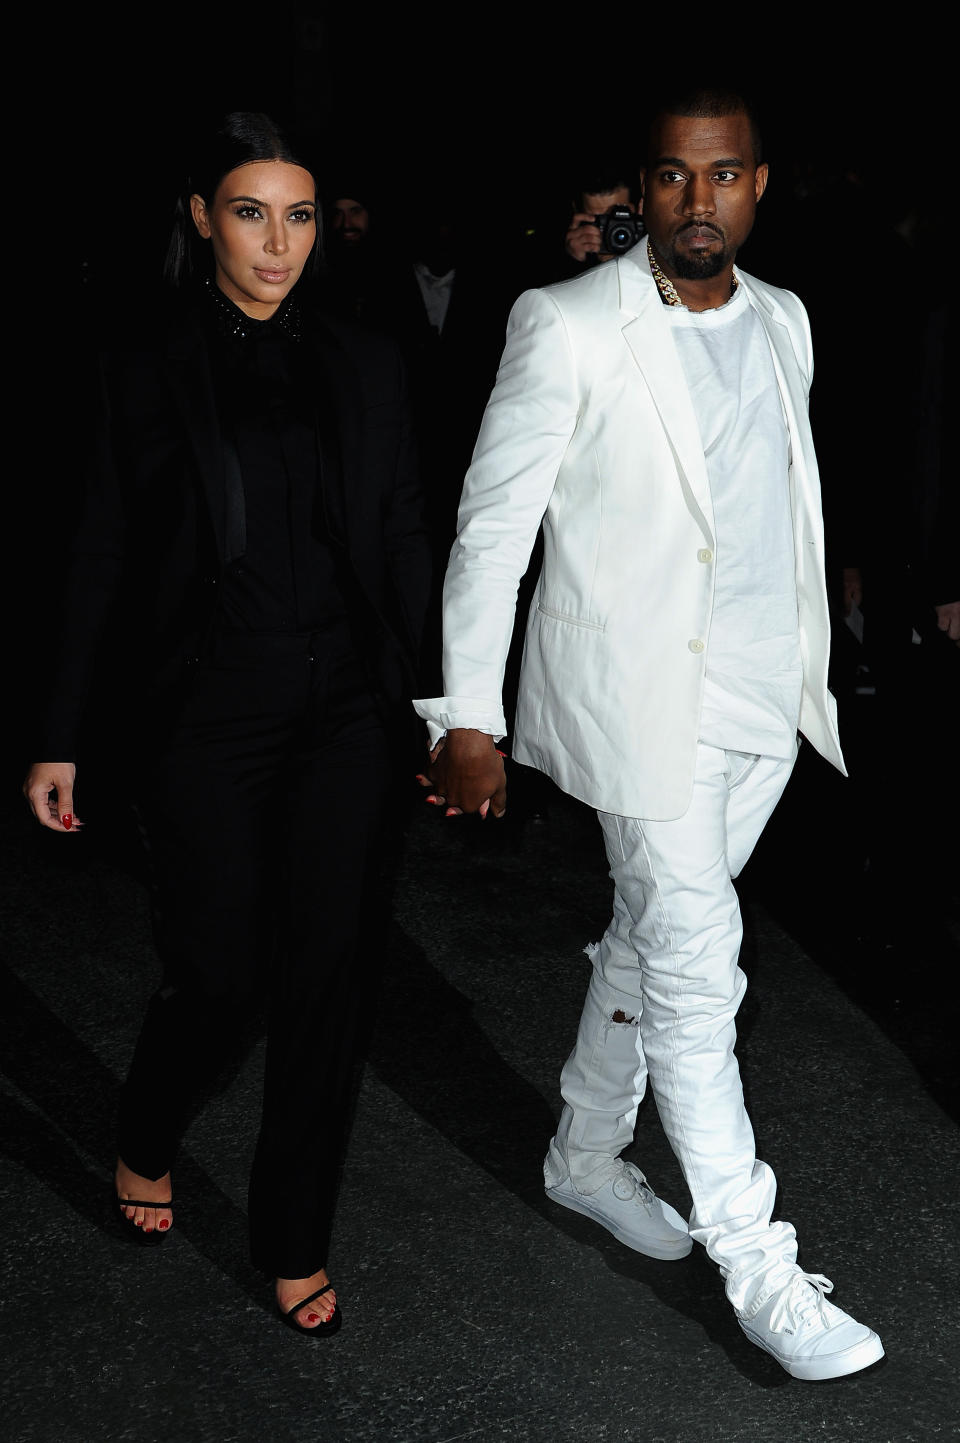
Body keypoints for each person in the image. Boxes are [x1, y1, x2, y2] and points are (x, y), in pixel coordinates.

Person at [415, 87, 885, 1381]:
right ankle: (760, 1262)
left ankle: (580, 1151)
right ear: (646, 186)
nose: (697, 201)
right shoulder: (567, 323)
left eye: (722, 176)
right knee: (696, 966)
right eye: (674, 178)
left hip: (758, 707)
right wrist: (468, 711)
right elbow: (494, 527)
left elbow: (785, 497)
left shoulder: (784, 319)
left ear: (758, 185)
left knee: (650, 932)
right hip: (638, 708)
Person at [23, 111, 431, 1337]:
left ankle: (292, 1234)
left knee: (328, 979)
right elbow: (96, 548)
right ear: (201, 216)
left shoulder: (367, 358)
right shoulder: (139, 360)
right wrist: (60, 729)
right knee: (221, 972)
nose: (277, 242)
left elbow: (409, 534)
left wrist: (448, 705)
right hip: (205, 708)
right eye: (251, 212)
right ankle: (149, 1122)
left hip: (348, 712)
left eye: (299, 215)